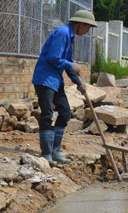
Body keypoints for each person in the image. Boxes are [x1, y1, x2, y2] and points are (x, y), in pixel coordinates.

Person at [32, 10, 97, 164]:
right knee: (47, 114)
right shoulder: (62, 33)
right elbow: (53, 58)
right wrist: (70, 64)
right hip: (45, 79)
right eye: (88, 27)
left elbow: (68, 66)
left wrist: (79, 82)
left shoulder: (70, 37)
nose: (88, 31)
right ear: (81, 24)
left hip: (55, 81)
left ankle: (55, 151)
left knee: (65, 112)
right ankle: (46, 154)